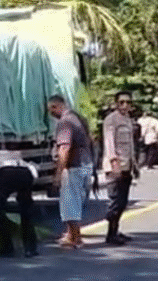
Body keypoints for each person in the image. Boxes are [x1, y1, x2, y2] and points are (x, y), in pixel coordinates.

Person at [47, 95, 95, 249]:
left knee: (69, 202)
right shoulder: (78, 118)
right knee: (76, 201)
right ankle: (72, 235)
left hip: (73, 165)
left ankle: (74, 238)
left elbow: (64, 148)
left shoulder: (65, 123)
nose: (51, 114)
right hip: (85, 163)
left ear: (57, 106)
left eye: (51, 109)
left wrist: (58, 173)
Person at [0, 149, 39, 258]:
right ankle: (30, 249)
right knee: (26, 210)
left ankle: (6, 248)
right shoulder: (16, 152)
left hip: (6, 173)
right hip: (25, 172)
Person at [102, 91, 139, 246]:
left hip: (127, 166)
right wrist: (114, 163)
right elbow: (109, 143)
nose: (125, 105)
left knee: (123, 202)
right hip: (115, 167)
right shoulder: (111, 120)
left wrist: (134, 165)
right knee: (115, 201)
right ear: (116, 104)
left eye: (128, 102)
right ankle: (110, 234)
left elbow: (130, 145)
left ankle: (116, 231)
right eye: (122, 102)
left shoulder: (128, 120)